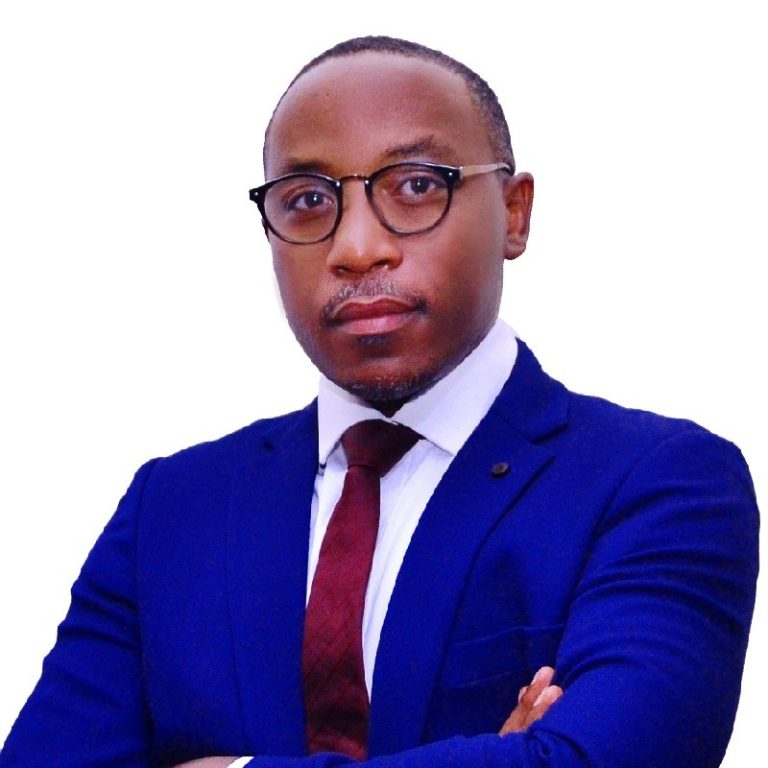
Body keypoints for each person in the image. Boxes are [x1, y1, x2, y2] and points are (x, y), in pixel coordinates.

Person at [0, 35, 758, 768]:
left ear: (515, 212)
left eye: (418, 185)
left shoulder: (660, 483)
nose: (357, 248)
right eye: (306, 199)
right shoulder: (172, 508)